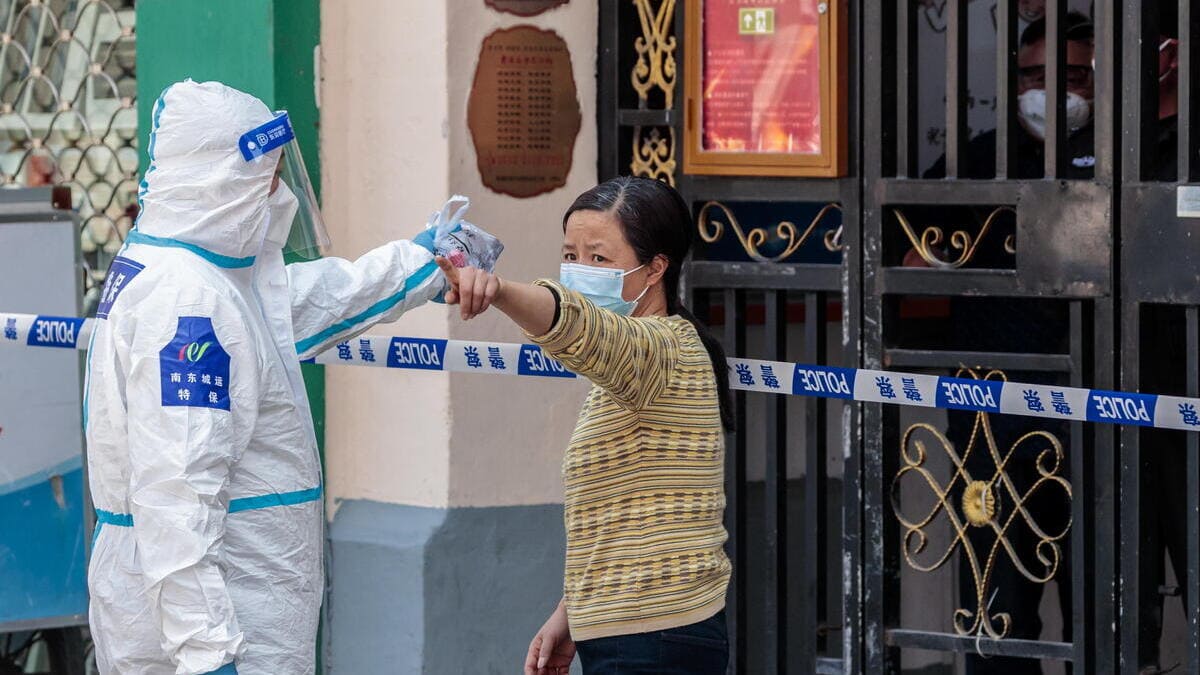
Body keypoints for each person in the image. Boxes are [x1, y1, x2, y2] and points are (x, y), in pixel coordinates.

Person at [84, 80, 497, 675]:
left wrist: (426, 260)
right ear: (223, 178)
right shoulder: (188, 301)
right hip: (224, 619)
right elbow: (176, 496)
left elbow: (311, 301)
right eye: (270, 174)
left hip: (227, 605)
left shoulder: (201, 275)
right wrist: (206, 656)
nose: (278, 193)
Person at [437, 176, 733, 675]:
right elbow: (624, 515)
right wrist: (570, 612)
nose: (578, 270)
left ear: (656, 267)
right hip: (628, 626)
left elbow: (579, 326)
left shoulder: (663, 349)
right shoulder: (635, 365)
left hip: (654, 629)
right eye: (570, 254)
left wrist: (500, 290)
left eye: (599, 258)